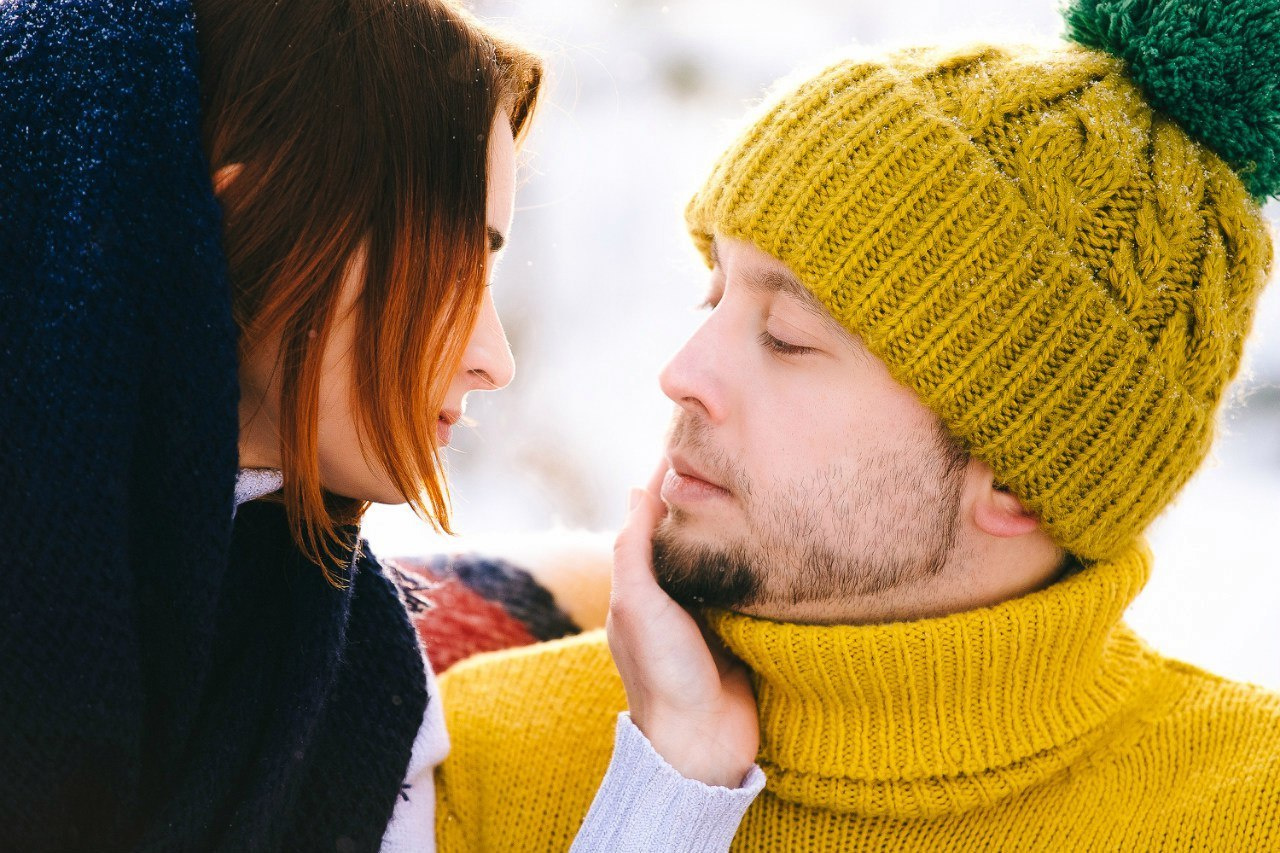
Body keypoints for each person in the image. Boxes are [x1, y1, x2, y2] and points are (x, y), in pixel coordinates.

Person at [433, 0, 1280, 849]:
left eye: (787, 339)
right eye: (714, 293)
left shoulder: (1250, 808)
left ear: (1018, 480)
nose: (682, 375)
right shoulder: (484, 753)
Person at [1, 0, 760, 850]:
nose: (493, 359)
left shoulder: (344, 691)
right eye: (452, 262)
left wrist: (677, 773)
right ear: (244, 231)